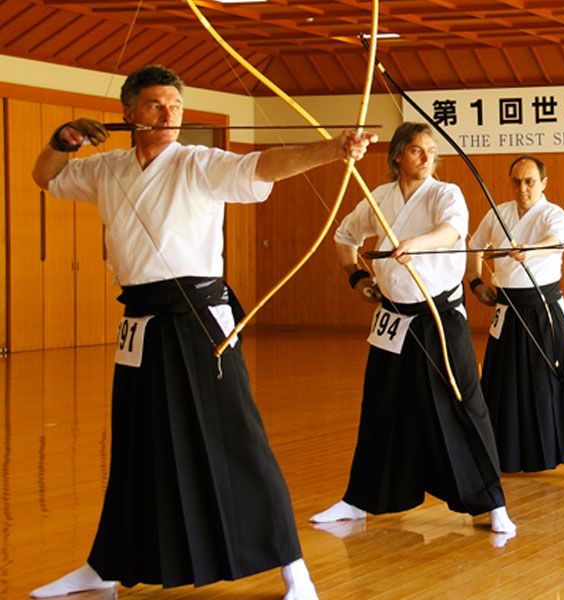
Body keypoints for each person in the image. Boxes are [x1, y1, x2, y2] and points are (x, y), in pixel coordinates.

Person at [28, 64, 375, 599]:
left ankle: (294, 569)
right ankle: (106, 566)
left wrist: (332, 150)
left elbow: (264, 166)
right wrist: (62, 141)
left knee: (236, 440)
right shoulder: (108, 168)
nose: (169, 115)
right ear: (128, 113)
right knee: (136, 445)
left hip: (198, 318)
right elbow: (45, 176)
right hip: (140, 320)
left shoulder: (199, 163)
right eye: (155, 106)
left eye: (176, 107)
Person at [310, 122, 515, 535]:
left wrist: (415, 244)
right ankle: (359, 500)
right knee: (381, 405)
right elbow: (344, 235)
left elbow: (452, 230)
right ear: (398, 155)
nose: (427, 157)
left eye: (431, 151)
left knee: (463, 403)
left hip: (439, 317)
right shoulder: (379, 197)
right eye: (418, 150)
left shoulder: (445, 194)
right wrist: (356, 276)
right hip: (392, 318)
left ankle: (492, 503)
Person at [466, 155, 564, 482]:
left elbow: (555, 241)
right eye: (516, 181)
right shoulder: (497, 213)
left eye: (530, 181)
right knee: (501, 380)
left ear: (543, 183)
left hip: (543, 304)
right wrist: (475, 281)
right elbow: (473, 246)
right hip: (507, 305)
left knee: (562, 377)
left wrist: (530, 249)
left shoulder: (553, 214)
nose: (523, 188)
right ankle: (498, 454)